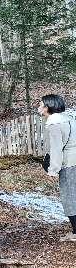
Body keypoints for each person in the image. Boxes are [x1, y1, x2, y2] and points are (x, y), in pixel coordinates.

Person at [38, 94, 76, 241]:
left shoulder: (54, 124)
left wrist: (52, 170)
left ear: (48, 107)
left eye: (41, 104)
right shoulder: (69, 118)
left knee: (70, 198)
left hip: (69, 164)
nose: (39, 107)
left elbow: (56, 149)